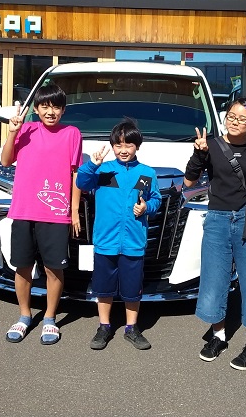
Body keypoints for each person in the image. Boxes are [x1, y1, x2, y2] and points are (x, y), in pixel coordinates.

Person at [183, 97, 246, 370]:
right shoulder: (210, 145)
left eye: (242, 119)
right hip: (217, 219)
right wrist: (198, 154)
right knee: (214, 279)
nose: (235, 122)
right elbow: (189, 182)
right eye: (232, 116)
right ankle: (219, 336)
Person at [0, 83, 82, 345]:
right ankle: (24, 315)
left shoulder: (72, 133)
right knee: (22, 266)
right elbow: (5, 161)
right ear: (36, 109)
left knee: (54, 269)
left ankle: (49, 318)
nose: (50, 112)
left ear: (63, 110)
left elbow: (76, 174)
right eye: (45, 106)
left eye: (56, 107)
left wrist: (75, 211)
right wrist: (12, 132)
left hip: (56, 213)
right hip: (24, 210)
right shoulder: (26, 129)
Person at [76, 119, 162, 351]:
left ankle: (131, 328)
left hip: (133, 242)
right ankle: (104, 326)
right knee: (103, 288)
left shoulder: (146, 173)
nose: (123, 150)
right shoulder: (104, 171)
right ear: (112, 146)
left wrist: (146, 207)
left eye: (129, 145)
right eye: (118, 145)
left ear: (137, 146)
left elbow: (156, 199)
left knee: (132, 289)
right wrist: (91, 165)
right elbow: (82, 182)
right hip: (105, 241)